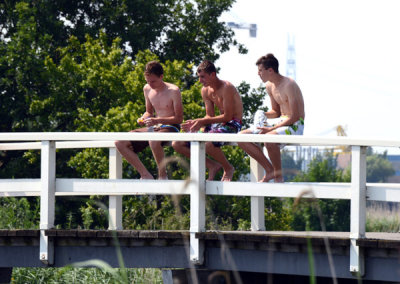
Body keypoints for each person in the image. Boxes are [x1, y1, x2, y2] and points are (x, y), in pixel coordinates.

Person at [238, 53, 305, 182]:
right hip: (280, 122)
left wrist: (270, 129)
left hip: (295, 124)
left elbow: (295, 116)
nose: (258, 74)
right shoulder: (269, 86)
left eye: (260, 70)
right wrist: (262, 114)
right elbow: (276, 112)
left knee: (268, 138)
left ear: (270, 70)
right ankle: (269, 170)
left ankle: (278, 175)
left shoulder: (289, 85)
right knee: (242, 137)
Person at [172, 60, 243, 181]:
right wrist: (195, 122)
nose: (200, 81)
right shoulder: (205, 90)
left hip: (233, 123)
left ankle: (228, 168)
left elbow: (227, 117)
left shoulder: (227, 88)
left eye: (203, 77)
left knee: (208, 142)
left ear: (213, 74)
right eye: (199, 77)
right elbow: (209, 115)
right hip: (217, 125)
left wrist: (201, 121)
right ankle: (212, 165)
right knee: (177, 143)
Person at [115, 61, 183, 180]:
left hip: (171, 126)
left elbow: (179, 118)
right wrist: (142, 118)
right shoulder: (147, 89)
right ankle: (145, 174)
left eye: (153, 81)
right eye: (147, 81)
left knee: (153, 140)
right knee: (119, 142)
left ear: (161, 76)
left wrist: (156, 120)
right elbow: (149, 112)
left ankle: (163, 176)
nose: (150, 84)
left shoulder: (173, 90)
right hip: (155, 127)